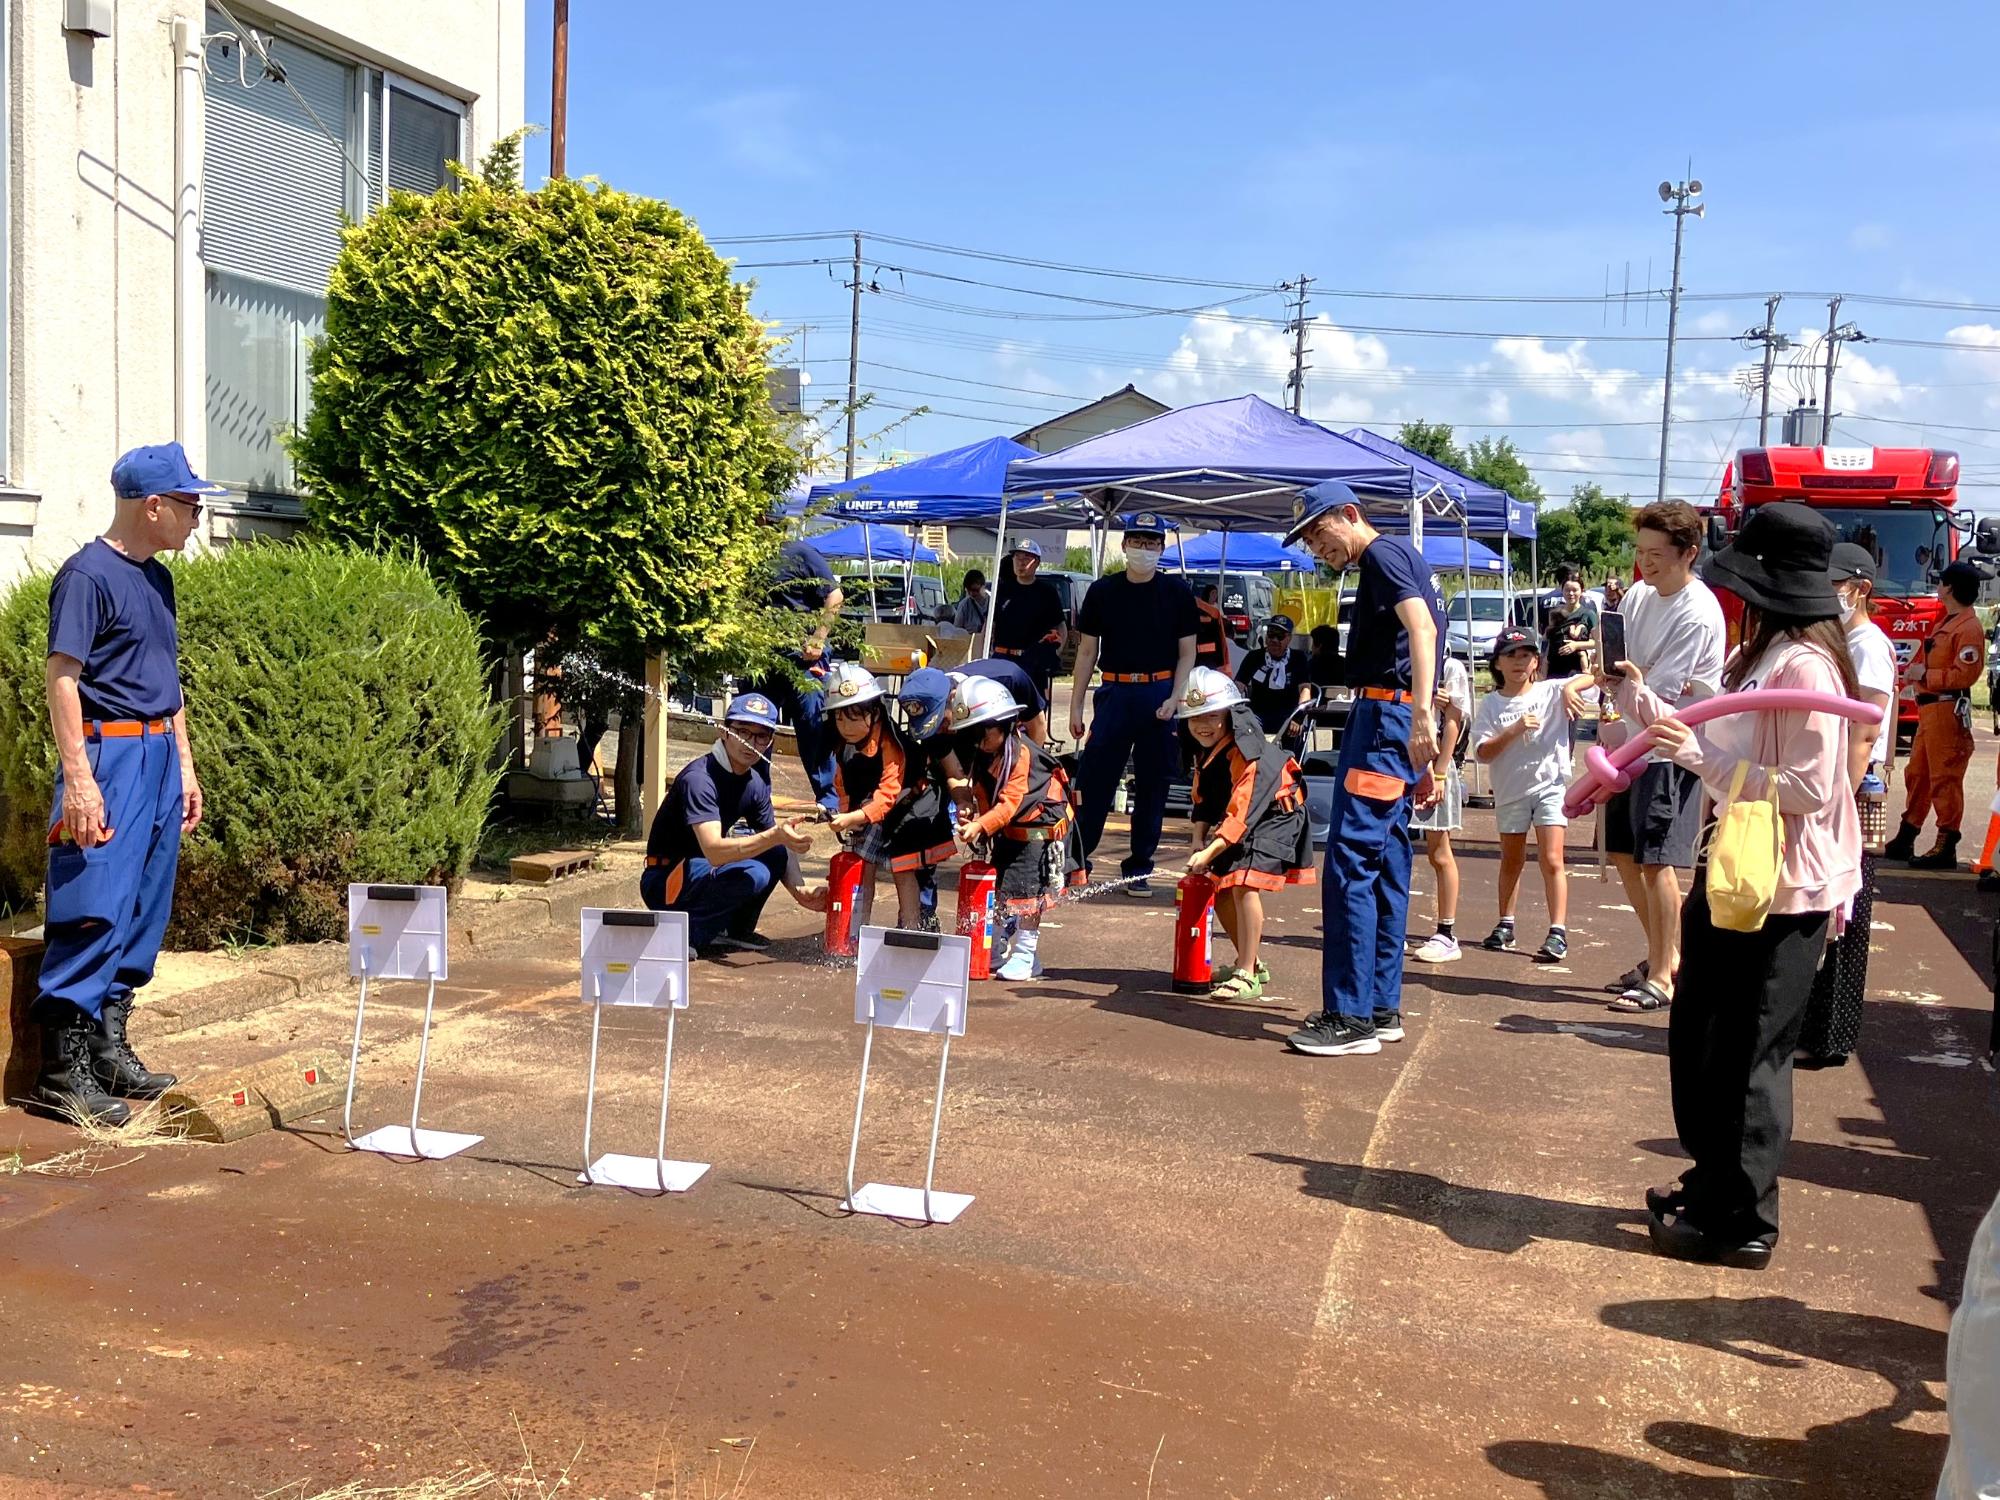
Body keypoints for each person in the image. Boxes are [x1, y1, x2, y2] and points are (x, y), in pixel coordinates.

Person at [1627, 502, 1860, 1267]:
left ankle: (1744, 1221)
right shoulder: (1761, 655)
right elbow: (1712, 732)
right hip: (1737, 873)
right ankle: (1710, 1184)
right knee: (1702, 1035)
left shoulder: (1806, 666)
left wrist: (1702, 760)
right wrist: (1642, 708)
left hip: (1784, 889)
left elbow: (1809, 787)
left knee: (1751, 1052)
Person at [29, 442, 219, 1128]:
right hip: (108, 759)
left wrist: (187, 767)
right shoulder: (87, 576)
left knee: (141, 907)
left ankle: (108, 1049)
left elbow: (167, 686)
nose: (197, 517)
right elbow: (62, 679)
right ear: (155, 506)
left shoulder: (157, 580)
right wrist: (80, 782)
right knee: (94, 901)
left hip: (160, 758)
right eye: (191, 505)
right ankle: (62, 1070)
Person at [1280, 481, 1442, 1058]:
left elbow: (1422, 629)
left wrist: (1420, 713)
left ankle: (1349, 1017)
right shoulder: (1401, 556)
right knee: (1387, 859)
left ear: (1350, 515)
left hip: (1383, 720)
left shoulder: (1380, 555)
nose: (1319, 551)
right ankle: (1378, 1005)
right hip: (1390, 720)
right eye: (1310, 543)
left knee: (1350, 862)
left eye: (1321, 536)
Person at [1567, 500, 1726, 1013]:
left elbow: (1660, 700)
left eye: (1657, 554)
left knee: (1660, 862)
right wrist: (1598, 682)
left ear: (1689, 554)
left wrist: (1622, 688)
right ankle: (1666, 953)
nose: (1647, 563)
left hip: (1671, 751)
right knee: (1623, 854)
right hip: (1625, 746)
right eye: (1641, 552)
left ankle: (1663, 976)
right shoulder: (1637, 594)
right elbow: (1616, 670)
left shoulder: (1698, 612)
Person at [1798, 543, 1897, 1068]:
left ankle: (1830, 1034)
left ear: (1859, 588)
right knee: (1827, 907)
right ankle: (1814, 1026)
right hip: (1834, 786)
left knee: (1846, 911)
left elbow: (1865, 729)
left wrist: (1833, 797)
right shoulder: (1840, 640)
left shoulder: (1868, 645)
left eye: (1837, 582)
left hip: (1851, 791)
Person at [1069, 515, 1199, 900]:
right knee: (1094, 782)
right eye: (1137, 541)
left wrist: (1175, 698)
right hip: (1114, 692)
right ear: (1124, 545)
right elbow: (1087, 651)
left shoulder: (1177, 591)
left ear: (1162, 548)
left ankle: (1139, 868)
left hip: (1159, 691)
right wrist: (1076, 706)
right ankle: (1078, 862)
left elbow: (1187, 653)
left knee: (1153, 786)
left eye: (1152, 543)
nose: (1144, 549)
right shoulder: (1102, 591)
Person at [640, 693, 827, 952]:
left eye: (761, 736)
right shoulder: (699, 779)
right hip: (665, 880)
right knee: (755, 872)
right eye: (742, 731)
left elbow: (779, 844)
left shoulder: (755, 783)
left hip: (700, 873)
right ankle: (686, 936)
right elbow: (715, 851)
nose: (750, 743)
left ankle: (733, 930)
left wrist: (800, 891)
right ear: (725, 732)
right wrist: (775, 837)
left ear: (769, 741)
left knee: (773, 853)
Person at [1179, 668, 1315, 1002]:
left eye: (1212, 716)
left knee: (1242, 883)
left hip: (1276, 817)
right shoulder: (1206, 750)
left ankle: (1247, 974)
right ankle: (1250, 961)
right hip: (1246, 820)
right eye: (1194, 718)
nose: (1203, 726)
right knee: (1220, 889)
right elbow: (1205, 799)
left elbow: (1242, 811)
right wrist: (1198, 839)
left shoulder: (1247, 753)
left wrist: (1208, 852)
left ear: (1230, 715)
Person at [951, 676, 1085, 981]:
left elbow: (1009, 803)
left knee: (1028, 894)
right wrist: (971, 811)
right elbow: (983, 792)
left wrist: (981, 826)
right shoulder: (984, 751)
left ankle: (1026, 954)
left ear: (1005, 723)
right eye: (970, 733)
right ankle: (995, 944)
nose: (977, 740)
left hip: (1040, 831)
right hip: (1010, 830)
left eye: (982, 732)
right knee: (1000, 889)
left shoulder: (1021, 754)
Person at [1473, 628, 1581, 964]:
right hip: (1510, 790)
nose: (1519, 662)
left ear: (1536, 661)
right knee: (1512, 858)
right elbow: (1483, 752)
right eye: (1511, 656)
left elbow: (1598, 677)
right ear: (1498, 664)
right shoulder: (1491, 703)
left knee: (1552, 859)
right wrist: (1514, 730)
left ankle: (1558, 931)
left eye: (1526, 656)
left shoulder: (1552, 690)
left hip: (1549, 785)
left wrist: (1573, 688)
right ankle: (1506, 923)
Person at [822, 663, 951, 930]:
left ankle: (913, 928)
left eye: (854, 717)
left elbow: (888, 795)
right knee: (862, 866)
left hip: (913, 808)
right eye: (840, 718)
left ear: (874, 712)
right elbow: (842, 783)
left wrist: (852, 817)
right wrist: (847, 814)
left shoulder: (891, 743)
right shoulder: (841, 745)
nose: (846, 726)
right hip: (873, 811)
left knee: (904, 868)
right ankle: (855, 930)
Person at [1884, 560, 1987, 870]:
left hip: (1947, 708)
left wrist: (1925, 674)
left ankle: (1947, 841)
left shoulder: (1968, 628)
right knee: (1918, 774)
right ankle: (1908, 833)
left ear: (1949, 589)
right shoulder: (1947, 622)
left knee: (1945, 778)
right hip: (1931, 708)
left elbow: (1964, 675)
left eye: (1941, 583)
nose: (1937, 587)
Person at [744, 530, 845, 811]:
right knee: (752, 724)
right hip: (762, 660)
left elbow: (835, 596)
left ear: (764, 522)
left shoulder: (801, 553)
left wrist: (818, 637)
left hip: (804, 659)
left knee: (813, 727)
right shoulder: (745, 558)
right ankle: (756, 799)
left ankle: (828, 801)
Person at [1409, 652, 1471, 964]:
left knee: (1439, 851)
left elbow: (1454, 722)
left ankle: (1446, 932)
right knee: (1394, 848)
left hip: (1435, 765)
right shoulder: (1402, 657)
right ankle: (1391, 927)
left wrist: (1442, 771)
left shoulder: (1450, 667)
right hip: (1402, 762)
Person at [990, 539, 1067, 710]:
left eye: (1027, 558)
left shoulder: (1046, 592)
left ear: (1037, 563)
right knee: (999, 710)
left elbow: (1061, 627)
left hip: (1032, 661)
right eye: (1017, 557)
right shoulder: (1002, 590)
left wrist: (1054, 653)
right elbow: (988, 627)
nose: (1021, 563)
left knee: (1034, 712)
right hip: (1002, 658)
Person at [1235, 614, 1315, 744]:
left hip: (1287, 712)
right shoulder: (1254, 657)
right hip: (1258, 712)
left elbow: (1305, 689)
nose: (1275, 640)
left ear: (1288, 638)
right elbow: (1239, 684)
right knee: (1245, 725)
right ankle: (1253, 763)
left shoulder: (1297, 658)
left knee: (1294, 727)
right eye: (1271, 634)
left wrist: (1298, 715)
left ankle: (1292, 762)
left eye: (1280, 636)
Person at [953, 654, 1050, 745]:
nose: (949, 728)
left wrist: (1032, 760)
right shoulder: (943, 700)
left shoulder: (1011, 679)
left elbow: (1038, 724)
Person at [1543, 567, 1598, 680]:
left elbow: (1598, 642)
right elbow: (1550, 640)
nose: (1571, 593)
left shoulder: (1588, 614)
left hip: (1577, 668)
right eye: (1567, 590)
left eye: (1575, 590)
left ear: (1582, 591)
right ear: (1562, 591)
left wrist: (1576, 645)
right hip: (1554, 667)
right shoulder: (1555, 613)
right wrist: (1543, 666)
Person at [1193, 583, 1230, 671]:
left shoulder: (1217, 607)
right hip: (1201, 657)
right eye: (1213, 593)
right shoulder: (1200, 608)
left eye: (1216, 593)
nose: (1215, 596)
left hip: (1212, 656)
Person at [951, 570, 990, 635]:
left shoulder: (994, 604)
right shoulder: (964, 605)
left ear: (984, 586)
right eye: (968, 590)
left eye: (975, 590)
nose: (972, 593)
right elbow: (956, 631)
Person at [1306, 624, 1344, 688]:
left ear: (1319, 646)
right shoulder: (1346, 665)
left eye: (1312, 643)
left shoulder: (1310, 666)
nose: (1311, 648)